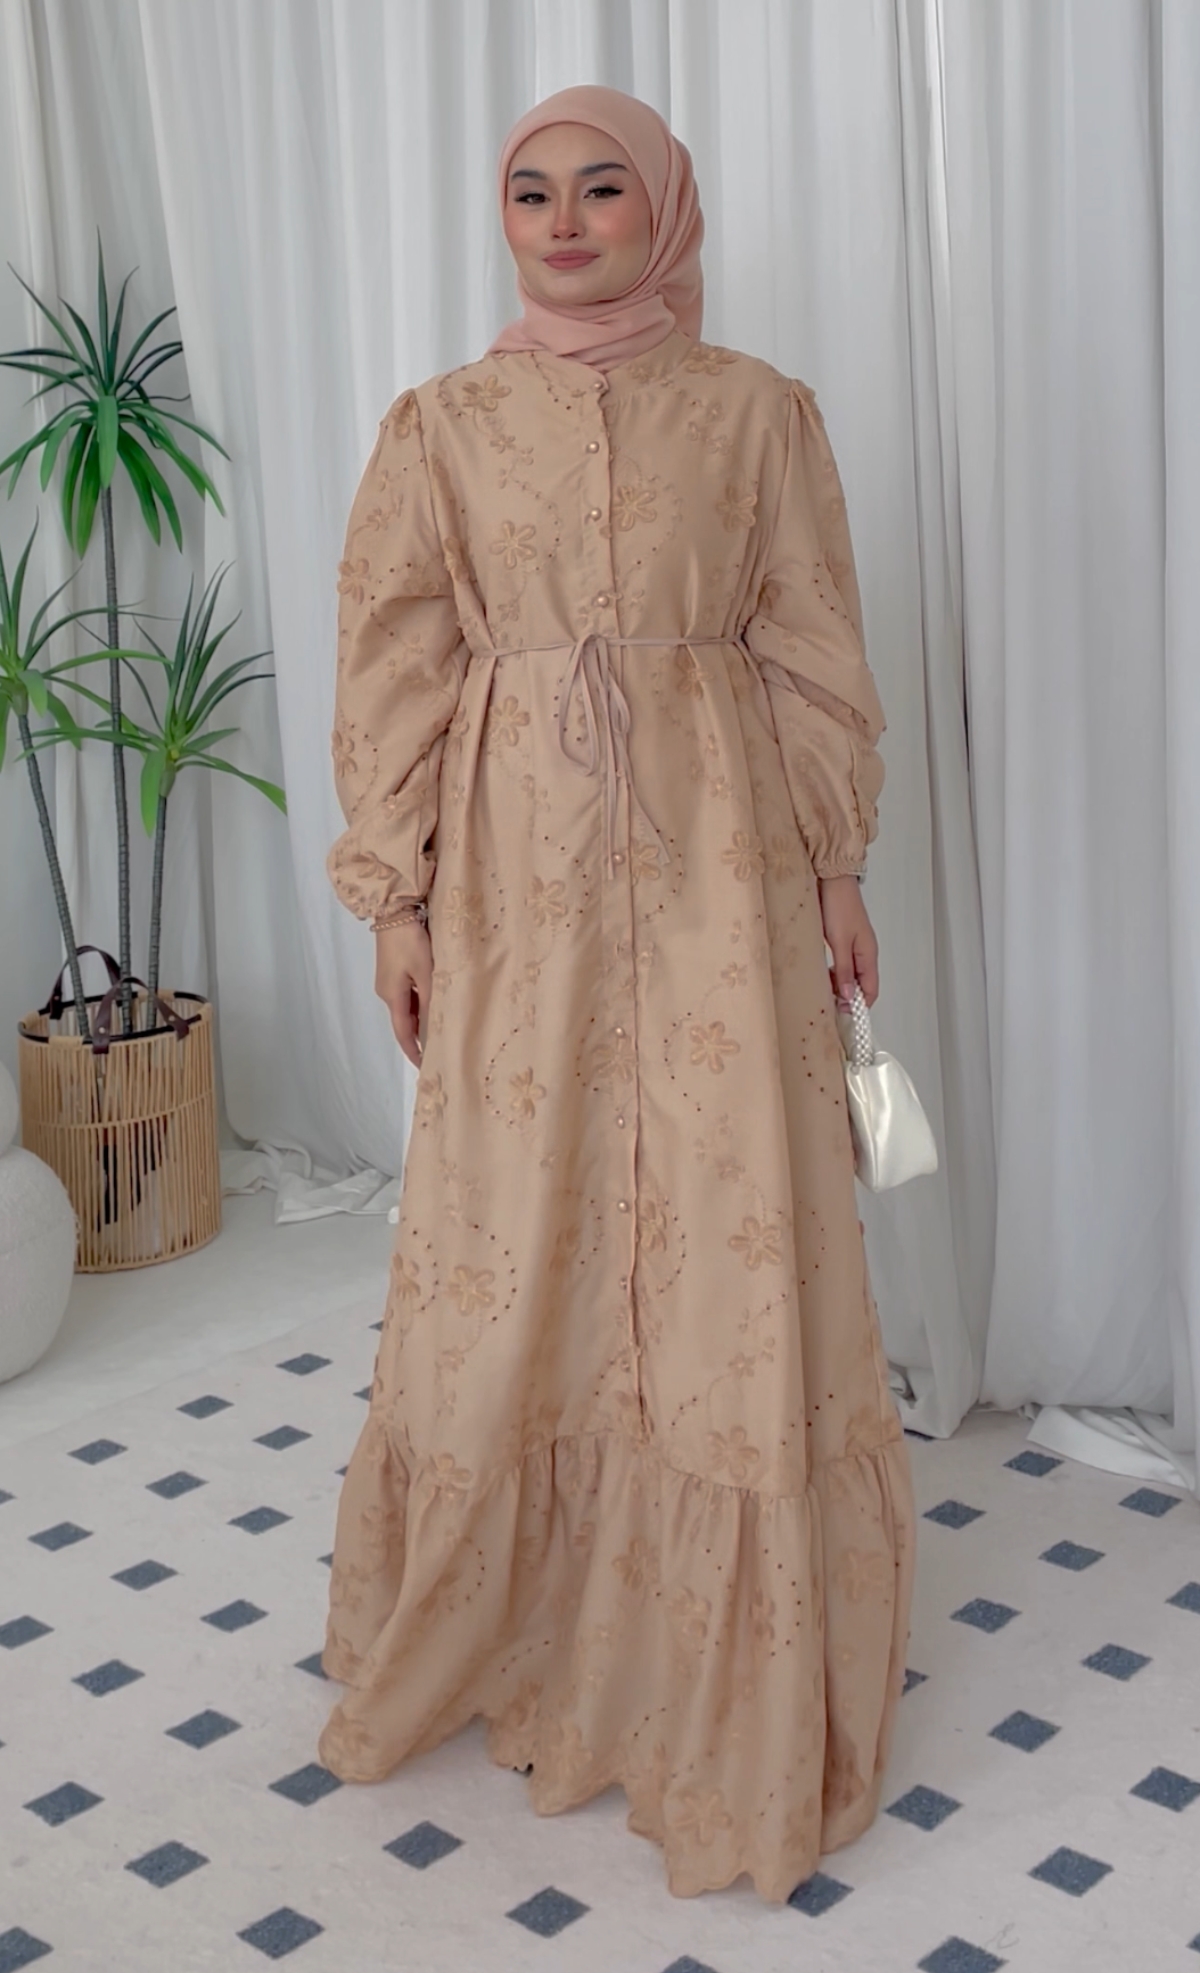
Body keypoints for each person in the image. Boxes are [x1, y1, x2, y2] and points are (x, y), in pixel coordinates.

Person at [319, 82, 916, 1904]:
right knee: (529, 1221)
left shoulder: (757, 414)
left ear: (665, 210)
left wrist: (836, 865)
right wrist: (395, 898)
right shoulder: (440, 427)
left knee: (727, 1230)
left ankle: (714, 1663)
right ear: (501, 217)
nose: (566, 222)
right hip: (519, 889)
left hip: (725, 881)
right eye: (532, 193)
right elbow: (396, 660)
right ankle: (525, 1607)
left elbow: (811, 642)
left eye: (602, 190)